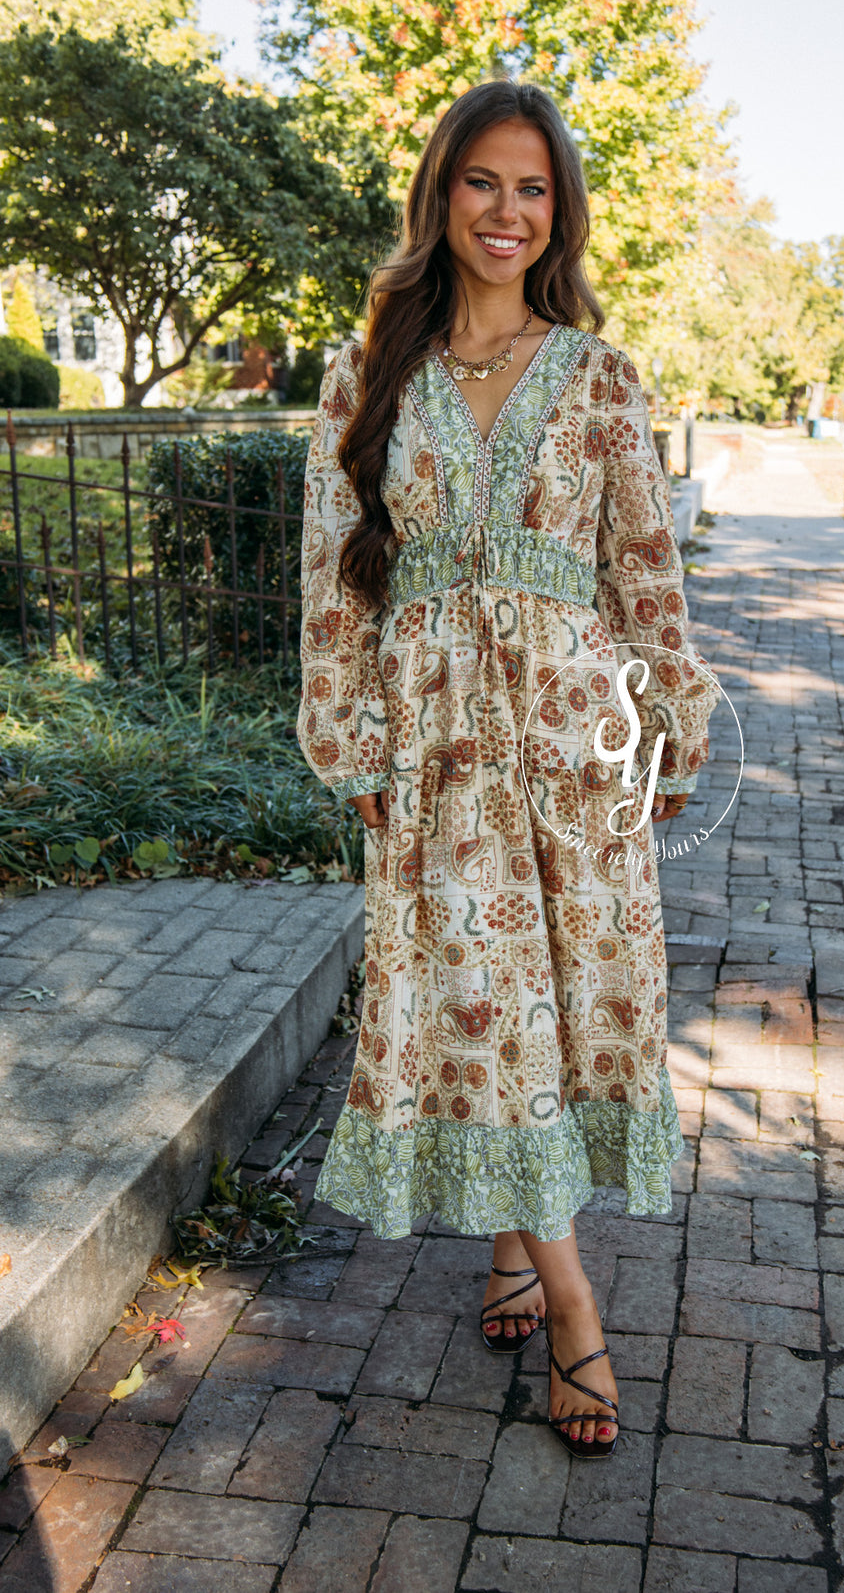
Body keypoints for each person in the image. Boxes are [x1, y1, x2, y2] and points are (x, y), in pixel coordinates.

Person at [297, 80, 718, 1461]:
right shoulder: (371, 373)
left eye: (533, 189)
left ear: (560, 211)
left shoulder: (598, 376)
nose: (507, 212)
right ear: (442, 192)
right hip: (433, 738)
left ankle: (514, 1252)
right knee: (483, 998)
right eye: (484, 181)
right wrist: (347, 731)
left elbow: (644, 571)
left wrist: (665, 722)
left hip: (574, 734)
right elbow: (332, 573)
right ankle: (576, 1297)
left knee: (570, 1002)